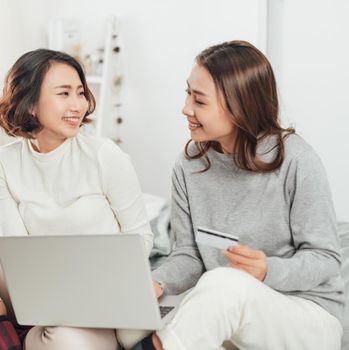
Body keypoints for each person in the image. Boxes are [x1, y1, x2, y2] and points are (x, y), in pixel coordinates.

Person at [127, 40, 344, 350]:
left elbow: (326, 259)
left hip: (306, 314)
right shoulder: (189, 164)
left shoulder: (297, 160)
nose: (186, 108)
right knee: (128, 326)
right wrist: (157, 282)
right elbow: (188, 254)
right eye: (187, 93)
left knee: (225, 283)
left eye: (199, 101)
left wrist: (268, 269)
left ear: (240, 107)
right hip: (228, 308)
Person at [0, 49, 154, 350]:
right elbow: (17, 252)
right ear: (30, 102)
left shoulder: (104, 156)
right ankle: (9, 342)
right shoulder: (2, 162)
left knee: (65, 340)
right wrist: (42, 297)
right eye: (64, 93)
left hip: (97, 304)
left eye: (80, 93)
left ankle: (6, 337)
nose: (78, 104)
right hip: (38, 295)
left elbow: (140, 238)